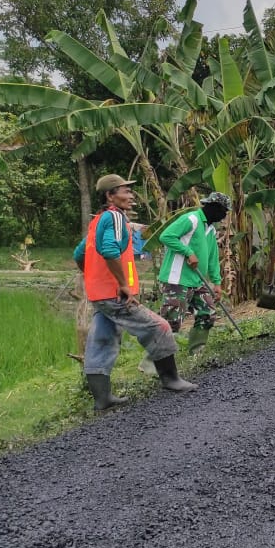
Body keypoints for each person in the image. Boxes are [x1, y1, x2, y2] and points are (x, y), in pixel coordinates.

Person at [73, 174, 196, 411]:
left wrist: (94, 277)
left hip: (99, 293)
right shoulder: (115, 217)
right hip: (114, 293)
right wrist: (122, 284)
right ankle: (171, 379)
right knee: (158, 327)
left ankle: (102, 398)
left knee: (102, 339)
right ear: (110, 196)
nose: (131, 196)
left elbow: (79, 254)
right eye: (125, 191)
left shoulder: (98, 220)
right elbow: (110, 251)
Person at [139, 192, 231, 375]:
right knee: (171, 320)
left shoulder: (210, 229)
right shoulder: (191, 219)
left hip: (197, 280)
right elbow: (166, 236)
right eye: (224, 211)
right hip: (177, 279)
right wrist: (188, 252)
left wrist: (217, 282)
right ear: (214, 208)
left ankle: (196, 353)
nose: (225, 215)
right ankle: (150, 364)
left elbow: (213, 258)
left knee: (207, 313)